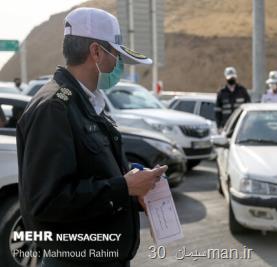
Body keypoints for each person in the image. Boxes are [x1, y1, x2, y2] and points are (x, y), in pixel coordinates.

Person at [16, 7, 167, 267]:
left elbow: (93, 171)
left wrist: (135, 187)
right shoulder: (55, 107)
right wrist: (124, 187)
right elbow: (47, 201)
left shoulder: (85, 102)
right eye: (115, 56)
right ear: (96, 52)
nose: (118, 65)